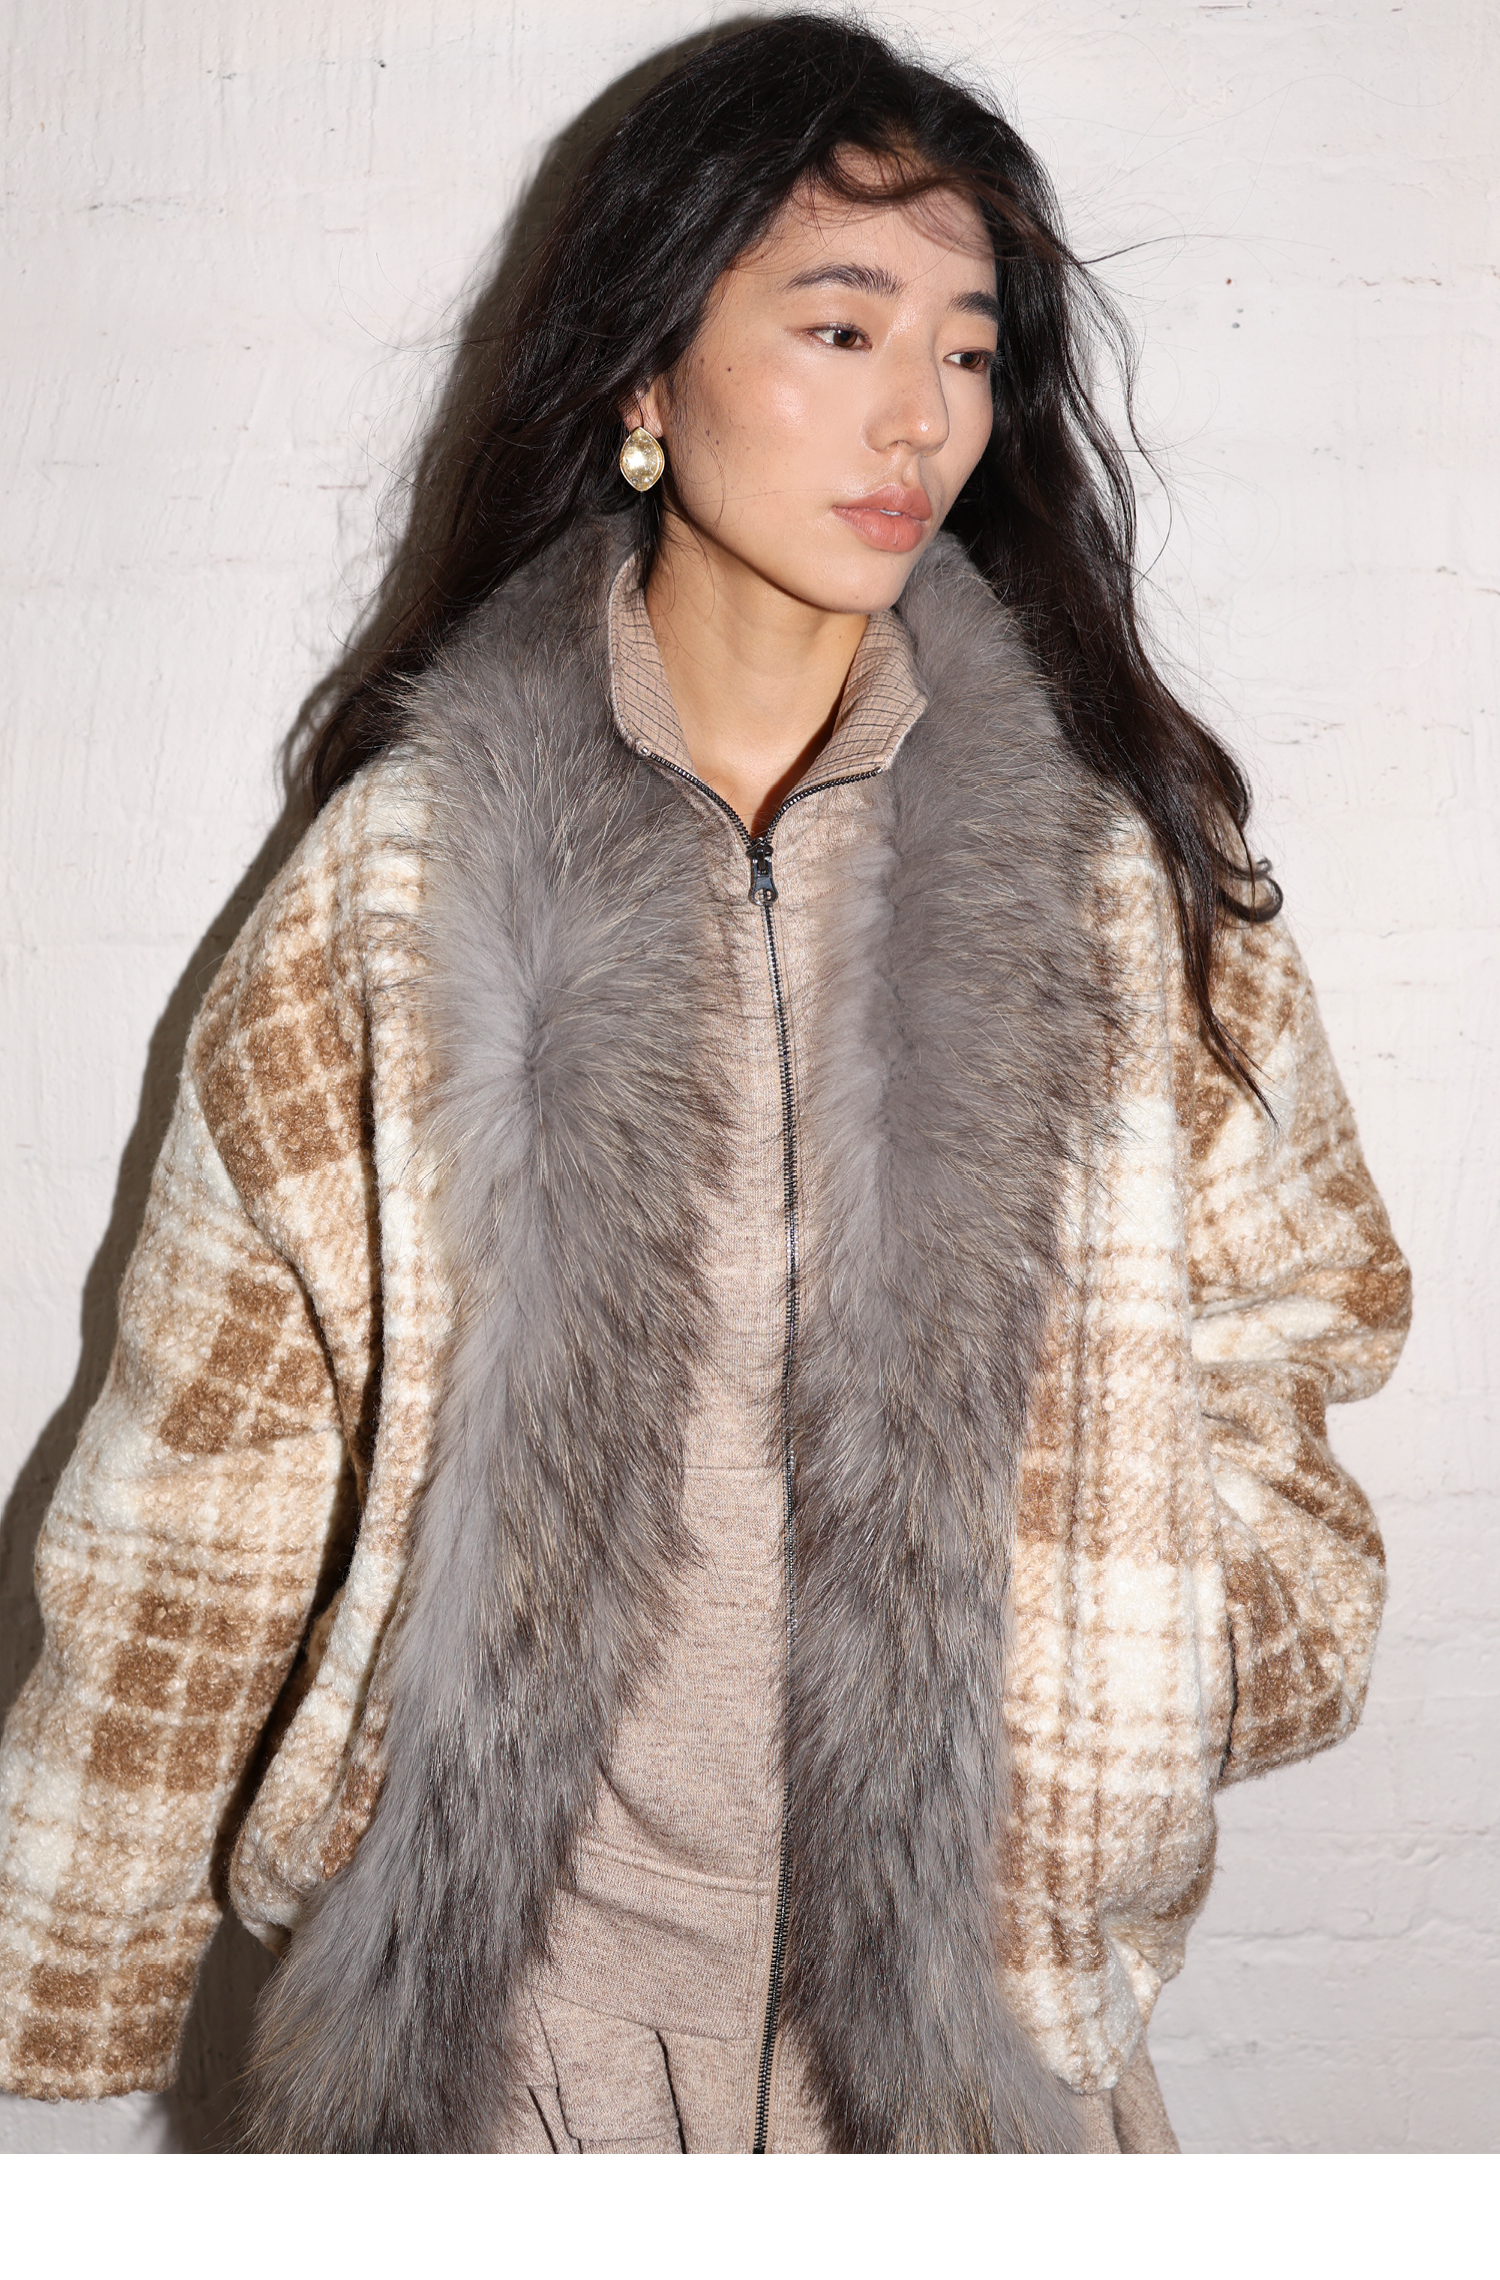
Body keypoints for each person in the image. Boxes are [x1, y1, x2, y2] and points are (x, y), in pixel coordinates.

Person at [0, 14, 1409, 2154]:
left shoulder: (1115, 877)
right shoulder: (408, 877)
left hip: (969, 2043)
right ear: (647, 379)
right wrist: (75, 1966)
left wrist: (1161, 1667)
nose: (920, 414)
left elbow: (1308, 1317)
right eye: (841, 328)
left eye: (966, 349)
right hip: (509, 2046)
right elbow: (208, 1453)